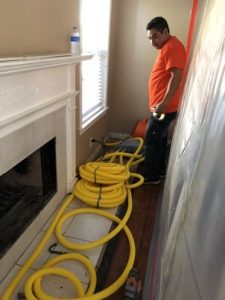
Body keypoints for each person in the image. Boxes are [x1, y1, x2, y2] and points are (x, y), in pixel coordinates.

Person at [143, 16, 186, 184]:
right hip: (162, 106)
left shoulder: (172, 47)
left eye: (155, 36)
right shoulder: (168, 46)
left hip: (163, 107)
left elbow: (176, 76)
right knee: (159, 140)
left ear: (166, 31)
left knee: (151, 141)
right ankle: (158, 171)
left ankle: (150, 176)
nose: (153, 42)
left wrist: (164, 103)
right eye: (150, 38)